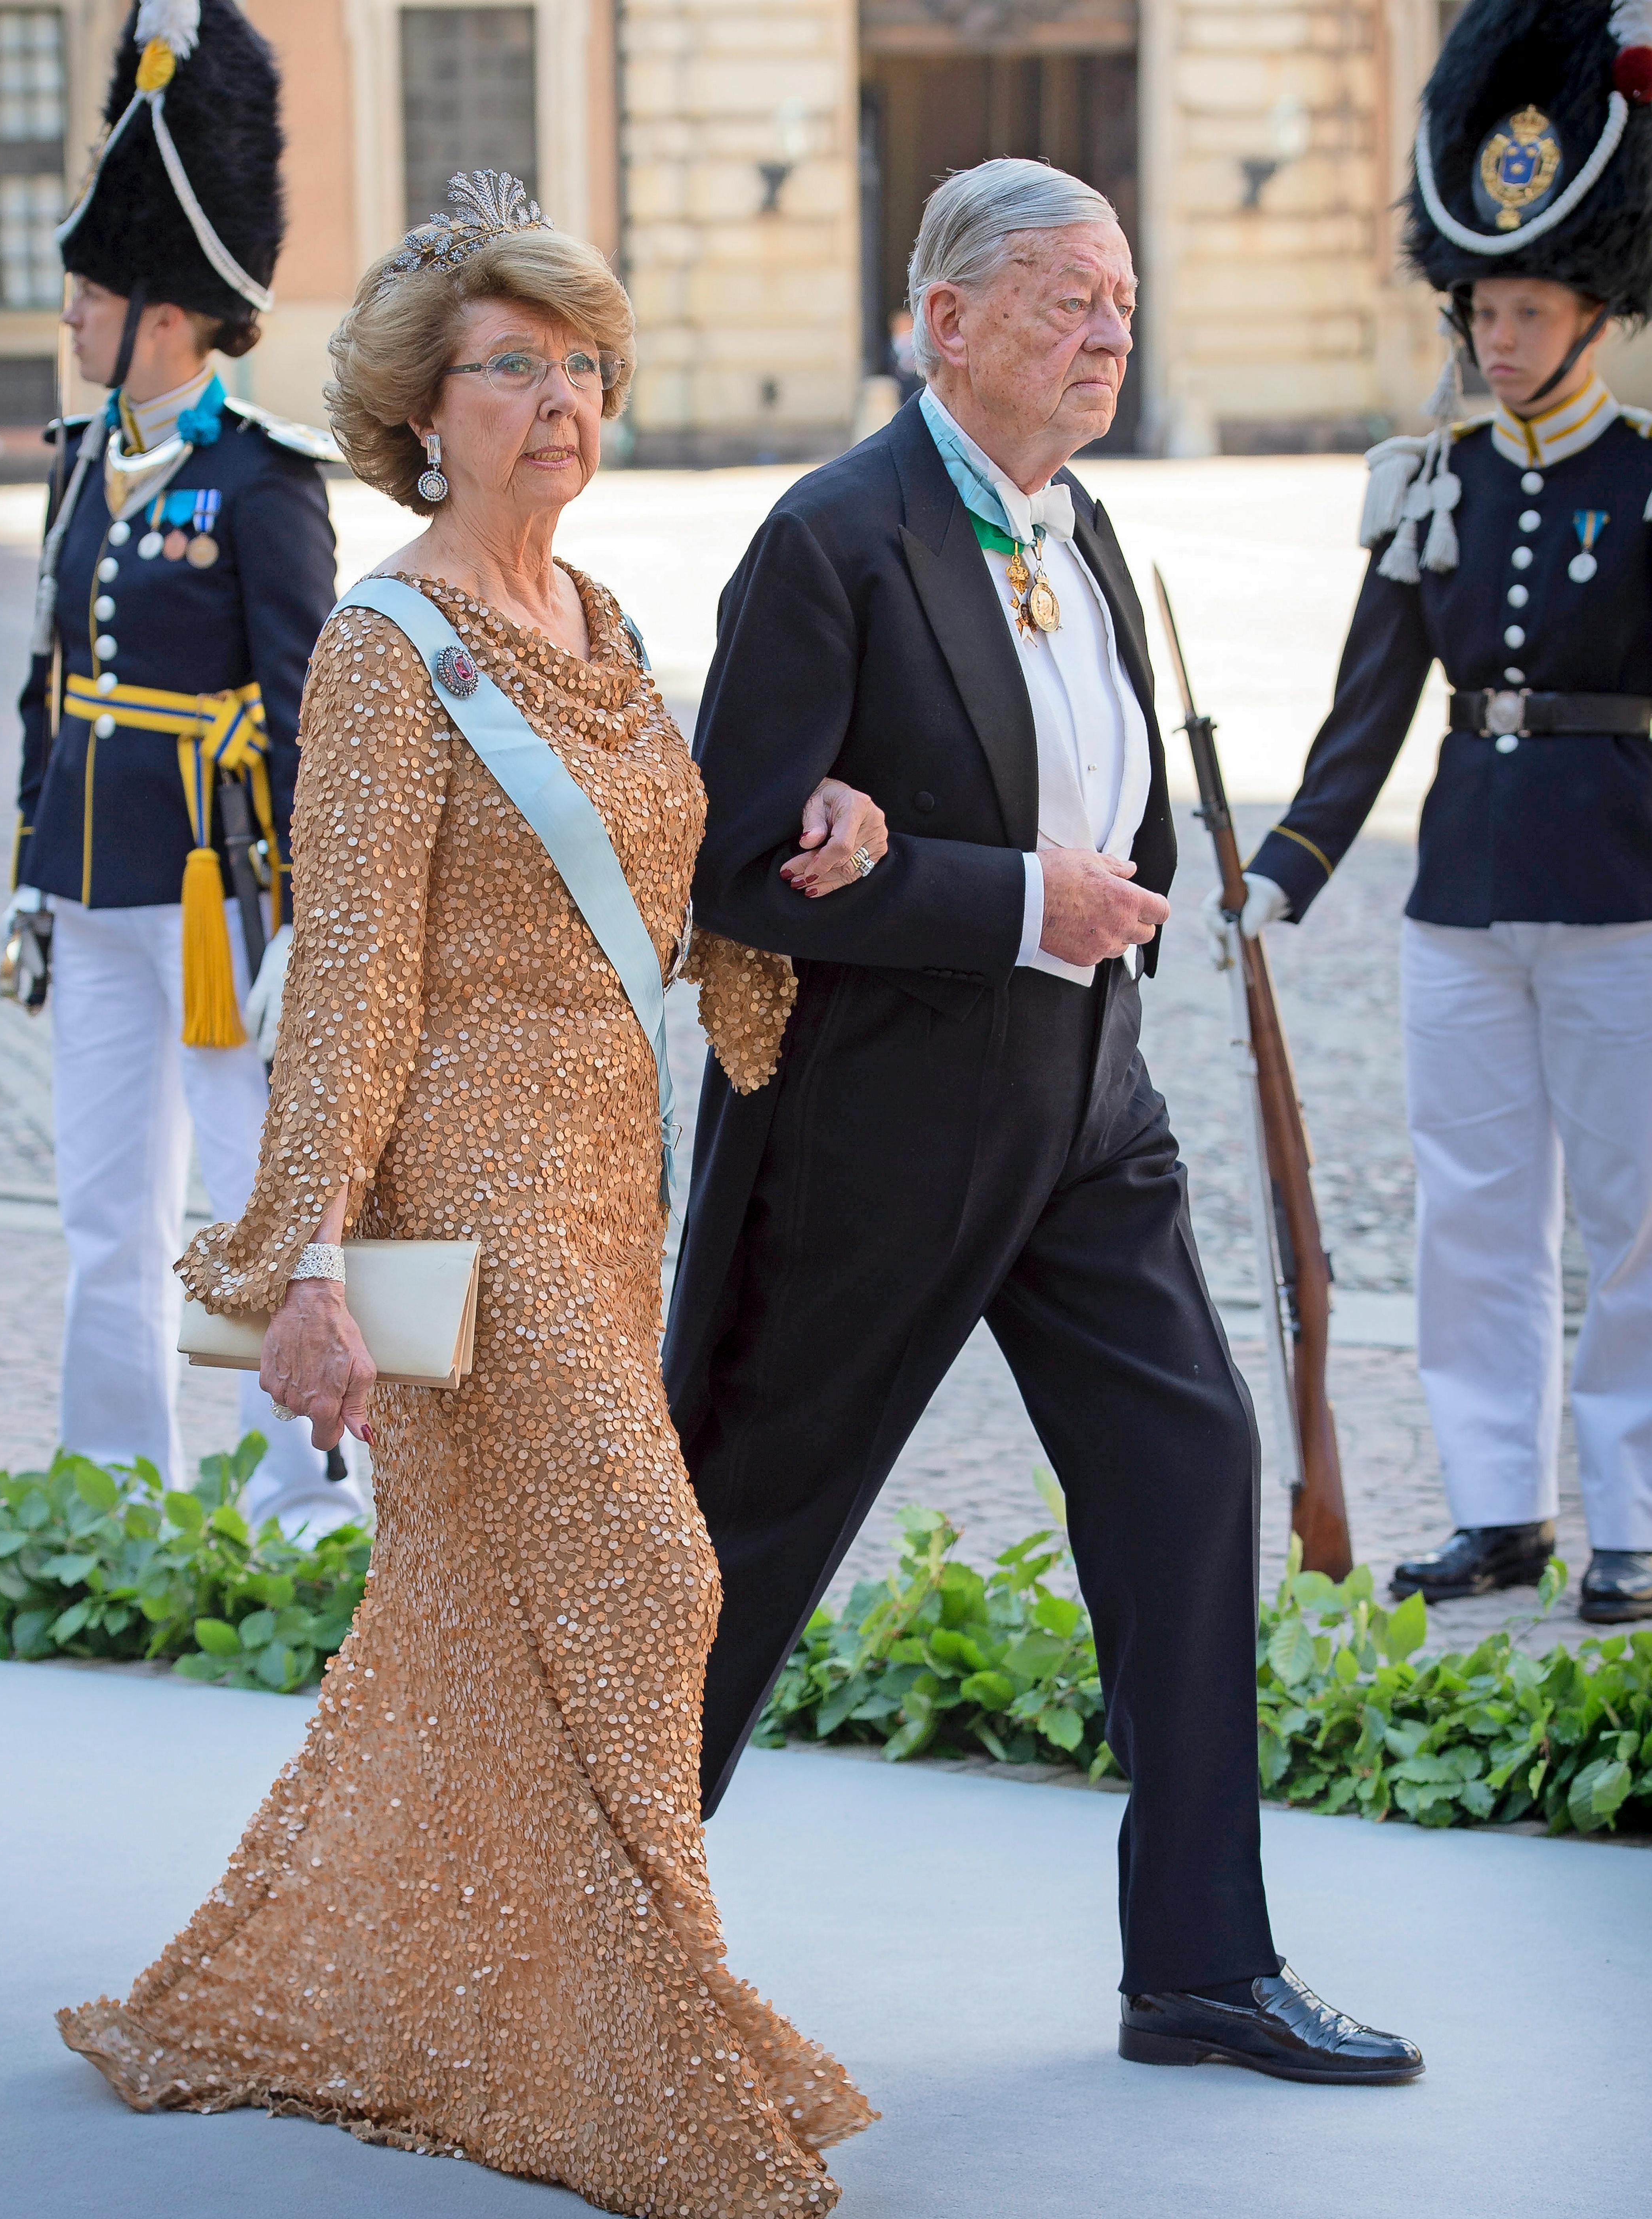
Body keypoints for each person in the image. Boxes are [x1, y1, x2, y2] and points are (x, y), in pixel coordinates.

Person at [59, 170, 880, 2219]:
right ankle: (649, 2050)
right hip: (463, 1184)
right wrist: (308, 1268)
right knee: (647, 1574)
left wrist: (815, 838)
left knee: (484, 1614)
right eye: (511, 369)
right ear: (425, 410)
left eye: (581, 365)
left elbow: (666, 889)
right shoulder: (383, 647)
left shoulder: (603, 625)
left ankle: (428, 2003)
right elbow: (351, 976)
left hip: (608, 1175)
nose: (558, 400)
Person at [664, 157, 1424, 2084]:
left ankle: (1200, 1963)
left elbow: (1109, 811)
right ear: (947, 322)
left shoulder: (1085, 528)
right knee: (745, 1529)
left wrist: (1077, 907)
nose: (1109, 333)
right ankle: (574, 1929)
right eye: (1070, 298)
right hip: (878, 1134)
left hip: (1090, 1107)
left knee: (1190, 1466)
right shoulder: (829, 537)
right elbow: (730, 863)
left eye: (1124, 301)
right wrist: (1011, 896)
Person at [1228, 0, 1652, 1623]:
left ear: (1592, 311)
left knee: (1629, 1216)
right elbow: (1368, 706)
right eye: (1482, 308)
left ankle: (1631, 1516)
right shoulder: (1432, 480)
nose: (1499, 336)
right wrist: (1285, 870)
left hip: (1619, 882)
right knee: (1473, 1210)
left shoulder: (1643, 478)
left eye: (1527, 309)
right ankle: (1498, 1508)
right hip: (1459, 889)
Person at [9, 0, 362, 1538]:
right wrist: (29, 867)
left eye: (91, 299)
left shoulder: (261, 482)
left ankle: (291, 1493)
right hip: (91, 887)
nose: (72, 321)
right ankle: (110, 1489)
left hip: (224, 903)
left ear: (164, 317)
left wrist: (304, 917)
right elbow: (48, 679)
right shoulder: (81, 460)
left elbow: (306, 717)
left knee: (248, 1205)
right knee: (104, 1212)